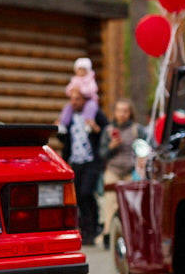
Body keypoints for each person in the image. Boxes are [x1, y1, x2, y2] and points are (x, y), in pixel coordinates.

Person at [57, 86, 108, 246]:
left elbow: (105, 131)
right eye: (72, 99)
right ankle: (85, 230)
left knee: (87, 193)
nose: (74, 102)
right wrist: (59, 130)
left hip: (91, 161)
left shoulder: (94, 114)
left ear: (84, 99)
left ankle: (94, 226)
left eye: (77, 99)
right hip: (75, 161)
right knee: (78, 196)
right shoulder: (70, 116)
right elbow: (64, 140)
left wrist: (95, 129)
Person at [98, 98, 143, 249]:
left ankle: (132, 236)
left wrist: (142, 157)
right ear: (115, 113)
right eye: (119, 111)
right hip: (113, 171)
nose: (122, 114)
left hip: (131, 172)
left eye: (125, 111)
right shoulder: (108, 131)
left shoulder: (138, 130)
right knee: (110, 203)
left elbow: (146, 147)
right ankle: (108, 235)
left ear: (130, 113)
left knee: (132, 205)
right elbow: (102, 154)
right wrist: (111, 146)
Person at [58, 57, 100, 129]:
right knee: (67, 108)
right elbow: (68, 89)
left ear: (87, 71)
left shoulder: (90, 79)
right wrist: (72, 89)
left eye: (83, 69)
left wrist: (81, 90)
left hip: (89, 100)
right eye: (79, 69)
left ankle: (88, 123)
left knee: (90, 108)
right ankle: (63, 124)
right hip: (78, 103)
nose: (81, 72)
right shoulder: (75, 80)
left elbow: (93, 89)